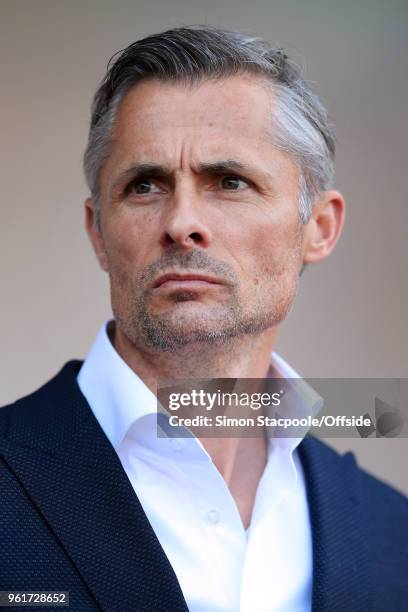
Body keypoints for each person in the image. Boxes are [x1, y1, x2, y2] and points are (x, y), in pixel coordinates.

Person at [0, 26, 406, 612]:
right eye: (145, 186)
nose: (182, 221)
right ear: (98, 233)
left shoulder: (393, 537)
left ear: (319, 228)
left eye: (230, 182)